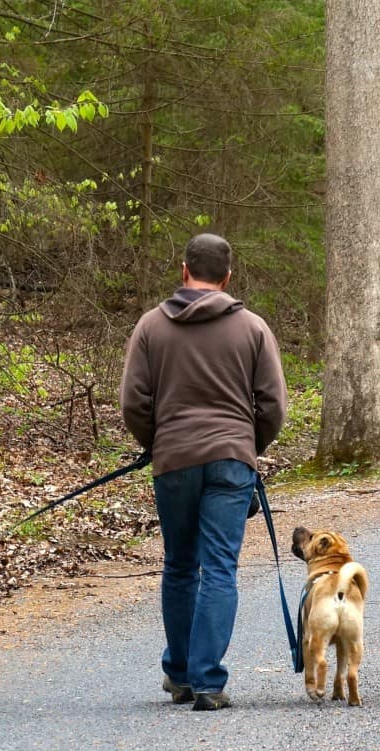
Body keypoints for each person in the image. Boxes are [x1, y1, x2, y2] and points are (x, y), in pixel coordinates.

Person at [119, 233, 288, 711]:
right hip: (232, 459)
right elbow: (273, 405)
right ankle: (208, 680)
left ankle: (181, 676)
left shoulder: (151, 327)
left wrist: (155, 442)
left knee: (179, 565)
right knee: (219, 567)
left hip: (173, 459)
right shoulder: (253, 328)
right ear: (228, 276)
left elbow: (134, 401)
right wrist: (248, 446)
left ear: (184, 269)